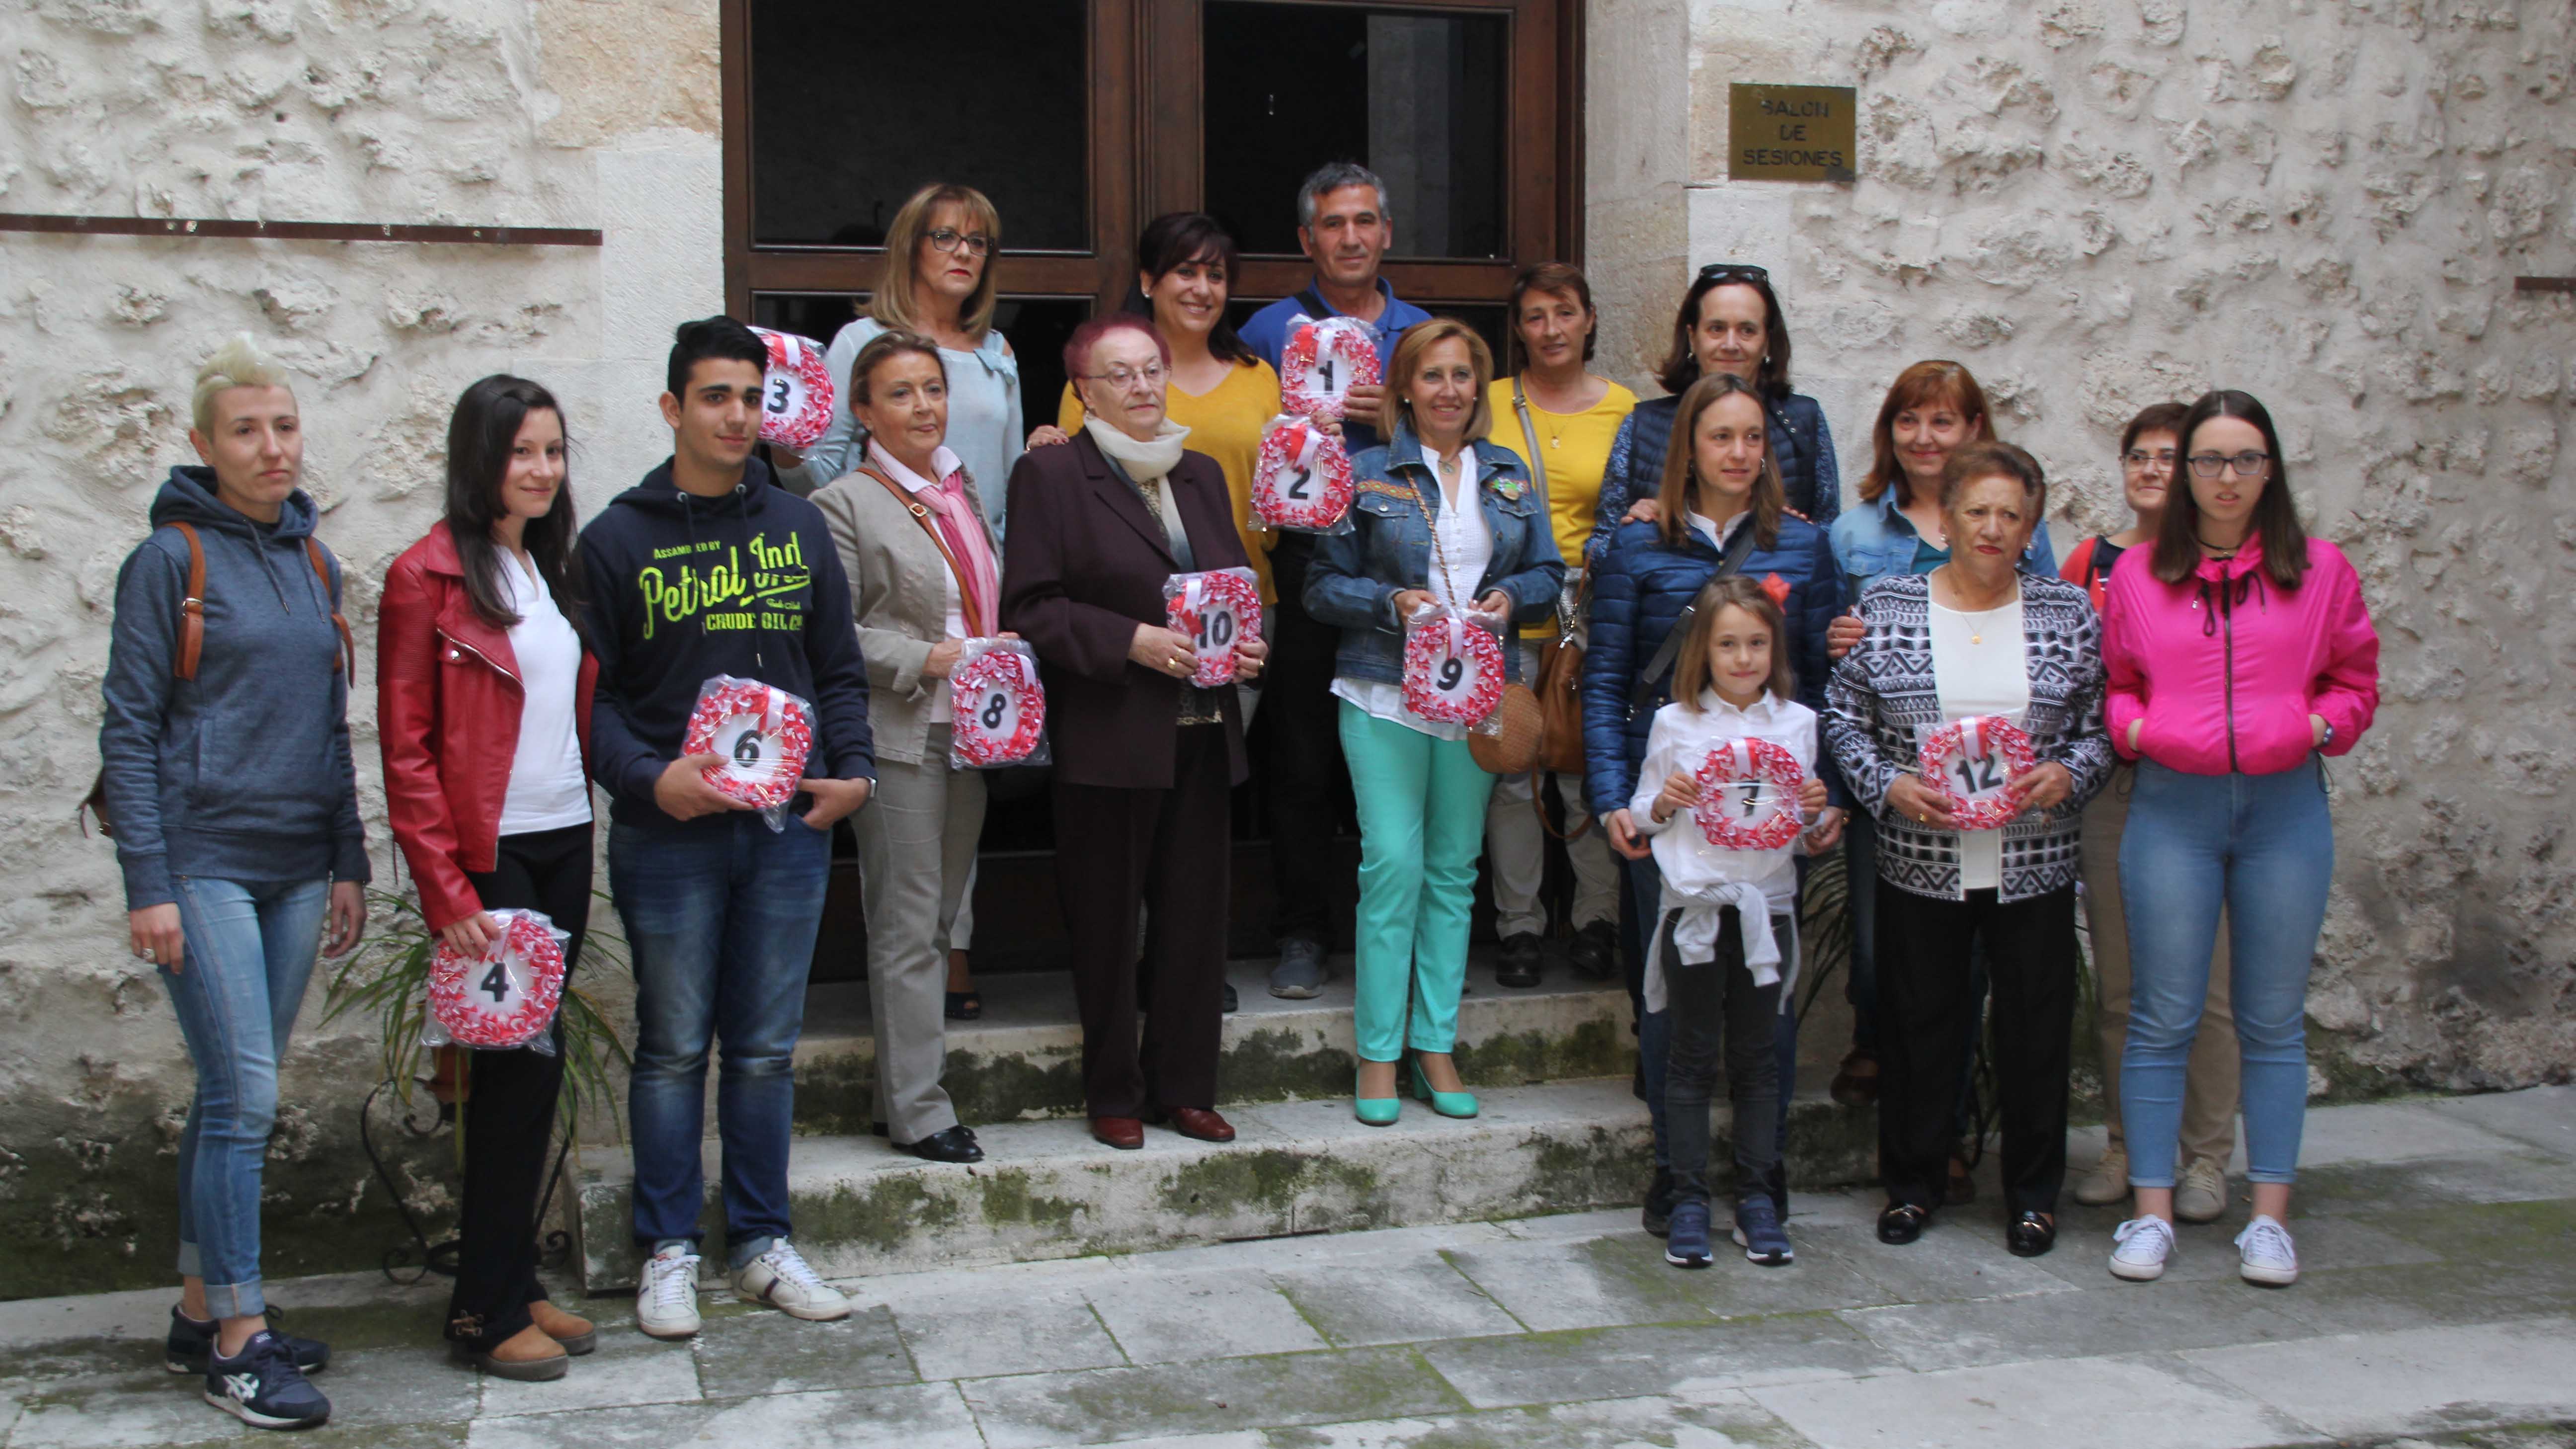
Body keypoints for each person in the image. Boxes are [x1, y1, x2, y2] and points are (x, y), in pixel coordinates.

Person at [580, 317, 878, 1339]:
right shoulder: (614, 541)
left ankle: (759, 1244)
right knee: (670, 1048)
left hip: (788, 833)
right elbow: (593, 701)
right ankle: (666, 1247)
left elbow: (837, 669)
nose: (738, 416)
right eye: (716, 397)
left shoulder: (796, 529)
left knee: (762, 1050)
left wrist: (855, 774)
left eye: (751, 397)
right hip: (669, 836)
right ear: (673, 408)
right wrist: (646, 780)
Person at [99, 334, 367, 1432]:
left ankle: (198, 1307)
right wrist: (148, 884)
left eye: (285, 427)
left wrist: (350, 856)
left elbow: (327, 726)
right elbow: (128, 730)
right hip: (203, 861)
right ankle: (241, 1343)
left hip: (299, 863)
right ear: (204, 445)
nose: (271, 448)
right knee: (248, 1095)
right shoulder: (169, 562)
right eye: (247, 431)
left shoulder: (316, 563)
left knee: (228, 1093)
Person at [2101, 390, 2379, 1288]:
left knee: (2267, 1020)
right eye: (2208, 461)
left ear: (2269, 471)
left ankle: (2268, 1218)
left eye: (2243, 460)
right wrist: (2138, 733)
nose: (2226, 478)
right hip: (2171, 812)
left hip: (2282, 813)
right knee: (2160, 1016)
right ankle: (2147, 1216)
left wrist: (2315, 728)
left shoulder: (2320, 570)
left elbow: (2353, 678)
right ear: (2181, 475)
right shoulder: (2141, 575)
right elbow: (2117, 683)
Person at [1822, 440, 2112, 1259]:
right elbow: (1841, 718)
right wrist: (1886, 787)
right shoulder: (1884, 606)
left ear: (2029, 529)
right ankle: (1910, 1186)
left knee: (2032, 1032)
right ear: (1943, 519)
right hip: (1921, 856)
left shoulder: (2065, 613)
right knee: (1918, 1028)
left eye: (2009, 515)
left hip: (2032, 865)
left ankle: (2030, 1196)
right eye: (1976, 511)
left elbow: (2098, 731)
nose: (1991, 528)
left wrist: (2066, 773)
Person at [1582, 372, 1844, 1237]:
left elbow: (1824, 688)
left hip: (1765, 833)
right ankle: (1675, 1174)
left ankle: (1760, 1181)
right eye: (1719, 438)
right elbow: (1608, 682)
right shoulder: (1635, 547)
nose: (1738, 454)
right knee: (1668, 1004)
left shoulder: (1802, 549)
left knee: (1761, 1002)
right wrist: (1614, 799)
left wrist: (1826, 798)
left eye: (1752, 439)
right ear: (1685, 450)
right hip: (1669, 818)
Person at [378, 377, 602, 1382]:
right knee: (510, 1081)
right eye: (522, 453)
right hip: (490, 851)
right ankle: (484, 1311)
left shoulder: (543, 564)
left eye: (553, 451)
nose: (543, 470)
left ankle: (512, 1280)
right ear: (481, 461)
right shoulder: (424, 576)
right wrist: (448, 890)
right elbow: (408, 747)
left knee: (536, 1072)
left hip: (563, 835)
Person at [1001, 314, 1268, 1151]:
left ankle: (1185, 1088)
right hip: (1110, 732)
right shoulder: (1049, 475)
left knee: (1194, 924)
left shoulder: (1196, 473)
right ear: (1083, 391)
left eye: (1153, 370)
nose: (1145, 387)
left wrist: (1250, 644)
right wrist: (1130, 641)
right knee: (1109, 924)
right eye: (1122, 375)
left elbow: (1232, 587)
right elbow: (1033, 608)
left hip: (1200, 729)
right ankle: (1113, 1090)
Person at [772, 182, 1023, 1024]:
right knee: (911, 827)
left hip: (980, 585)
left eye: (977, 241)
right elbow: (829, 466)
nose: (960, 252)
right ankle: (929, 986)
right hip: (895, 577)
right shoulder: (861, 341)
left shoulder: (996, 352)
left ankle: (957, 951)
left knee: (966, 801)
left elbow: (1011, 474)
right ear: (911, 244)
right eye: (943, 236)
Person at [1305, 318, 1565, 1124]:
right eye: (1432, 375)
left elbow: (1548, 571)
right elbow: (1320, 585)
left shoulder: (1506, 471)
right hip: (1383, 691)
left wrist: (1508, 599)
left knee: (1454, 871)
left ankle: (1434, 1045)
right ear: (1404, 388)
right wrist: (1391, 603)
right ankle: (1378, 1055)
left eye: (1462, 375)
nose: (1448, 389)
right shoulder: (1365, 471)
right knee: (1391, 864)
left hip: (1477, 696)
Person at [1822, 359, 2055, 1139]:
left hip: (2003, 802)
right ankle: (1892, 1072)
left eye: (1944, 421)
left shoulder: (2021, 526)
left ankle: (1949, 1131)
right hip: (1900, 789)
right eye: (1909, 420)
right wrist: (1836, 638)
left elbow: (2049, 637)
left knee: (1974, 972)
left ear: (1974, 431)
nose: (1925, 437)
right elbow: (1831, 655)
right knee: (1884, 956)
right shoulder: (1854, 531)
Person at [1236, 163, 1432, 999]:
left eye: (1363, 221)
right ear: (1306, 239)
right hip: (1306, 555)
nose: (1349, 237)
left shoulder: (1422, 331)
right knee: (1302, 756)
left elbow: (1458, 434)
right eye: (1331, 224)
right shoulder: (1265, 330)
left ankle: (1408, 928)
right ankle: (1302, 930)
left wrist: (1393, 414)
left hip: (1404, 565)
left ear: (1385, 232)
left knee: (1406, 745)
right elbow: (1231, 430)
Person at [811, 331, 1002, 1167]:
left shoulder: (960, 491)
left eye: (931, 389)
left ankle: (916, 1095)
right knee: (907, 925)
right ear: (863, 410)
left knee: (938, 919)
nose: (923, 406)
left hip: (970, 729)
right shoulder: (844, 502)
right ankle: (917, 1110)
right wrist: (919, 658)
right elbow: (831, 633)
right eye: (900, 393)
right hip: (900, 732)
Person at [2062, 403, 2240, 1221]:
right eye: (2137, 454)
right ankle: (2129, 1145)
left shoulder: (2222, 563)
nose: (2149, 469)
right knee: (2121, 987)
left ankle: (2204, 1158)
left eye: (2169, 456)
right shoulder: (2090, 561)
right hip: (2111, 791)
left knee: (2201, 986)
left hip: (2195, 788)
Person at [1630, 577, 1836, 1271]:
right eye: (1728, 645)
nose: (1743, 658)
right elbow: (1638, 814)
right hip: (1696, 909)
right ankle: (1688, 1197)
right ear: (1705, 651)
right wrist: (1665, 800)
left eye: (1756, 643)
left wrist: (1816, 810)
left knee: (1757, 1058)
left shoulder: (1799, 724)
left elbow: (1804, 833)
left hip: (1765, 912)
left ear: (1774, 647)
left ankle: (1756, 1197)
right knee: (1688, 1057)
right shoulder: (1675, 724)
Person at [1481, 261, 1635, 988]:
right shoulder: (1487, 403)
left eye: (1565, 313)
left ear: (1590, 319)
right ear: (1519, 328)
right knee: (1513, 775)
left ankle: (1596, 921)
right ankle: (1519, 927)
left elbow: (1643, 502)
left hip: (1590, 611)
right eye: (1536, 316)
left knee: (1578, 771)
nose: (1551, 329)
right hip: (1506, 608)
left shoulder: (1625, 408)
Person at [1055, 212, 1287, 607]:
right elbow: (1072, 493)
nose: (1202, 289)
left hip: (1238, 603)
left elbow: (1279, 494)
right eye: (1185, 272)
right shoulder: (1097, 382)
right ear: (1148, 281)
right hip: (1129, 608)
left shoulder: (1258, 377)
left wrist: (1317, 453)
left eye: (1215, 276)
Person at [1585, 262, 1840, 559]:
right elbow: (1599, 548)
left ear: (1767, 341)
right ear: (1693, 337)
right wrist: (1631, 532)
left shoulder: (1803, 422)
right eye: (1717, 329)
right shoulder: (1642, 425)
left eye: (1747, 330)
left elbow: (1829, 538)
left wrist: (1796, 536)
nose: (1731, 344)